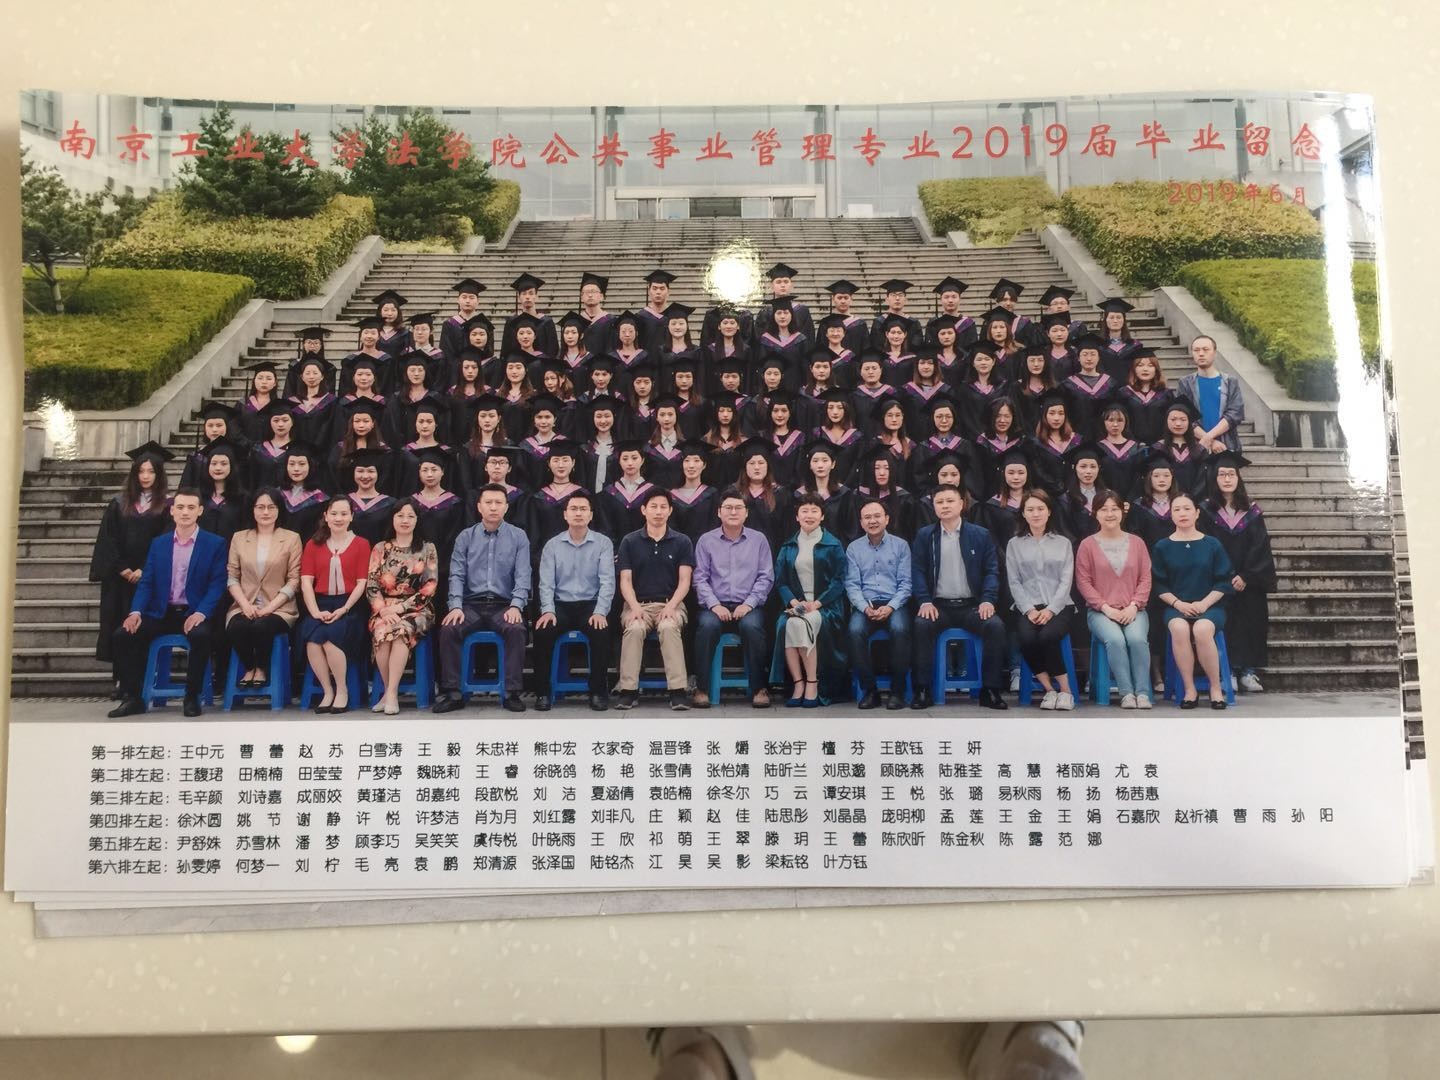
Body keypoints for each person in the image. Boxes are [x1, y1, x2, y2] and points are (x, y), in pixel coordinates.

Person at [106, 489, 228, 718]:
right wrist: (136, 611)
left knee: (201, 636)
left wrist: (201, 613)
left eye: (191, 507)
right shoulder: (159, 544)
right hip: (162, 612)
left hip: (193, 611)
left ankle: (192, 697)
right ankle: (134, 698)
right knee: (123, 635)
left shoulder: (215, 543)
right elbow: (147, 581)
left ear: (200, 511)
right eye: (180, 507)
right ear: (172, 511)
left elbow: (217, 584)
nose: (185, 512)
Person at [432, 485, 530, 713]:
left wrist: (516, 605)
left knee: (516, 629)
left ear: (506, 507)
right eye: (488, 502)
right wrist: (455, 606)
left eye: (498, 503)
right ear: (479, 507)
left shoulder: (518, 536)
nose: (493, 507)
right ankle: (454, 693)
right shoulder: (466, 537)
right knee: (449, 629)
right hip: (471, 605)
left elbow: (523, 575)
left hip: (503, 605)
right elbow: (457, 575)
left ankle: (512, 693)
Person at [911, 484, 1008, 710]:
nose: (945, 506)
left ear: (961, 504)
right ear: (933, 506)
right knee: (921, 625)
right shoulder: (925, 535)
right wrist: (924, 600)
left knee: (995, 626)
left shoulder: (980, 534)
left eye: (950, 501)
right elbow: (917, 571)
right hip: (938, 606)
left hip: (971, 606)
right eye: (939, 502)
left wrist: (987, 599)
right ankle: (923, 690)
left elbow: (991, 571)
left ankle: (990, 690)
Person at [90, 440, 174, 696]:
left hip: (149, 580)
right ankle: (121, 681)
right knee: (119, 626)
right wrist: (123, 568)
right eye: (141, 471)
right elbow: (108, 540)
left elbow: (165, 541)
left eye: (151, 471)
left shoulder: (167, 506)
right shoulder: (119, 503)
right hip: (119, 580)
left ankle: (142, 680)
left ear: (159, 475)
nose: (146, 476)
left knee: (142, 627)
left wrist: (145, 570)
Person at [691, 489, 775, 709]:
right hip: (715, 606)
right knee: (707, 627)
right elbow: (700, 578)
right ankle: (702, 688)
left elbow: (766, 577)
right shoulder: (706, 541)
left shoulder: (758, 540)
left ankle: (759, 688)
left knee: (752, 628)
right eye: (728, 508)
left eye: (738, 508)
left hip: (748, 605)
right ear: (719, 512)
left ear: (746, 513)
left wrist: (748, 604)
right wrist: (714, 605)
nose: (733, 512)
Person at [534, 491, 616, 712]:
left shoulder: (603, 543)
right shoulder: (552, 545)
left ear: (591, 515)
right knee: (543, 630)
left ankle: (598, 691)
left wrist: (600, 611)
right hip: (560, 605)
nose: (578, 513)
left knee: (601, 631)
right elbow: (546, 583)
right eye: (573, 509)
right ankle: (543, 692)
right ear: (565, 514)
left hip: (590, 604)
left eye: (583, 509)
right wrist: (548, 610)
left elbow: (607, 582)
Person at [1201, 451, 1276, 693]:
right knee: (1226, 623)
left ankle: (1248, 671)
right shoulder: (1206, 511)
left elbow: (1260, 546)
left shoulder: (1252, 511)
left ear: (1238, 478)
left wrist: (1245, 576)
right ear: (1214, 478)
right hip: (1218, 582)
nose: (1227, 479)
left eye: (1231, 474)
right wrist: (1225, 576)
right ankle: (1228, 670)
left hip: (1248, 581)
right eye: (1222, 474)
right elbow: (1207, 546)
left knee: (1251, 620)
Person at [1151, 492, 1234, 708]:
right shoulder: (1162, 546)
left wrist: (1204, 604)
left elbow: (1223, 581)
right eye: (1177, 509)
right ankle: (1189, 689)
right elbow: (1159, 584)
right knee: (1179, 628)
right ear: (1171, 515)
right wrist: (1178, 604)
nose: (1182, 513)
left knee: (1202, 629)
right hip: (1176, 606)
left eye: (1187, 508)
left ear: (1197, 513)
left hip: (1210, 605)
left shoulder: (1212, 544)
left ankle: (1215, 688)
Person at [614, 489, 695, 711]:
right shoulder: (630, 541)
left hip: (672, 603)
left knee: (669, 627)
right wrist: (634, 607)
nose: (658, 511)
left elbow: (685, 581)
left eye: (663, 507)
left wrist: (671, 606)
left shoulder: (682, 541)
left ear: (670, 511)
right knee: (634, 628)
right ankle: (628, 690)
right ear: (643, 510)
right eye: (653, 506)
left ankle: (678, 691)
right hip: (637, 604)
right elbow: (625, 580)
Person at [1075, 489, 1154, 709]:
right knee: (1116, 640)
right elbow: (1083, 582)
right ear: (1095, 513)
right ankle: (1126, 693)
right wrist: (1106, 608)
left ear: (1122, 512)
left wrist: (1134, 605)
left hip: (1134, 610)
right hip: (1100, 612)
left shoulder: (1137, 543)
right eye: (1103, 509)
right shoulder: (1087, 545)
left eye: (1114, 509)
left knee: (1137, 639)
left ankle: (1142, 693)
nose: (1109, 514)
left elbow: (1145, 578)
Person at [771, 493, 848, 707]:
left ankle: (812, 682)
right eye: (804, 511)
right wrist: (795, 603)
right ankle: (799, 683)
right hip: (797, 605)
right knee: (788, 624)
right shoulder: (788, 545)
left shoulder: (832, 544)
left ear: (822, 516)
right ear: (797, 516)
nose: (809, 515)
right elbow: (781, 581)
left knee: (801, 624)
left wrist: (816, 604)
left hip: (826, 606)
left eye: (814, 511)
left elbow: (839, 581)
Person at [298, 495, 372, 714]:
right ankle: (327, 691)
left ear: (351, 517)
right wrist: (314, 611)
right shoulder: (313, 544)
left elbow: (362, 583)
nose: (338, 518)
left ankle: (342, 690)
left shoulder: (361, 544)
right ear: (326, 516)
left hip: (350, 605)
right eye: (334, 513)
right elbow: (306, 582)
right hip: (320, 604)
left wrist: (344, 609)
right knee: (313, 640)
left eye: (343, 514)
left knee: (330, 638)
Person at [224, 487, 303, 690]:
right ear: (252, 510)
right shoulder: (239, 538)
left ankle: (262, 668)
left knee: (261, 627)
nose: (265, 512)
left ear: (279, 510)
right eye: (260, 507)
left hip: (280, 607)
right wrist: (244, 605)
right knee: (237, 627)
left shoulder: (292, 538)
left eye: (271, 507)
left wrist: (269, 608)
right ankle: (249, 667)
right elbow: (232, 577)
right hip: (245, 604)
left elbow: (294, 580)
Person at [365, 498, 438, 715]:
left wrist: (401, 608)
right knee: (381, 631)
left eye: (410, 516)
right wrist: (383, 610)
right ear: (392, 518)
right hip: (384, 609)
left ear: (417, 520)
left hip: (417, 609)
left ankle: (390, 693)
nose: (405, 520)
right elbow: (372, 585)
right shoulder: (380, 548)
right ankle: (390, 692)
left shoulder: (427, 548)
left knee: (400, 631)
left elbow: (430, 586)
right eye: (400, 516)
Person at [1005, 490, 1077, 710]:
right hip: (1028, 606)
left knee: (1048, 636)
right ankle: (1049, 690)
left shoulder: (1063, 543)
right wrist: (1029, 609)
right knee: (1026, 639)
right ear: (1023, 514)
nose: (1035, 514)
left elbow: (1066, 580)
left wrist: (1051, 609)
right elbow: (1014, 581)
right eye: (1030, 509)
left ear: (1049, 512)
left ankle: (1066, 691)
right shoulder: (1014, 544)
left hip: (1060, 606)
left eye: (1040, 509)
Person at [845, 498, 914, 710]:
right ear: (861, 522)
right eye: (867, 517)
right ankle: (870, 690)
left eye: (877, 516)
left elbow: (906, 584)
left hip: (894, 603)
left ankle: (897, 691)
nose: (872, 521)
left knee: (900, 629)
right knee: (855, 631)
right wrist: (865, 607)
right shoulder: (853, 548)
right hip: (865, 604)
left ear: (887, 519)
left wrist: (890, 606)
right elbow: (852, 585)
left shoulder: (901, 546)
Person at [1176, 334, 1245, 453]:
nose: (1201, 354)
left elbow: (1234, 414)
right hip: (1195, 448)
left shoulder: (1230, 382)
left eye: (1205, 349)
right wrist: (1210, 441)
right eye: (1196, 350)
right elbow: (1184, 416)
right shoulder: (1185, 383)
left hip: (1226, 446)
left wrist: (1209, 437)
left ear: (1214, 352)